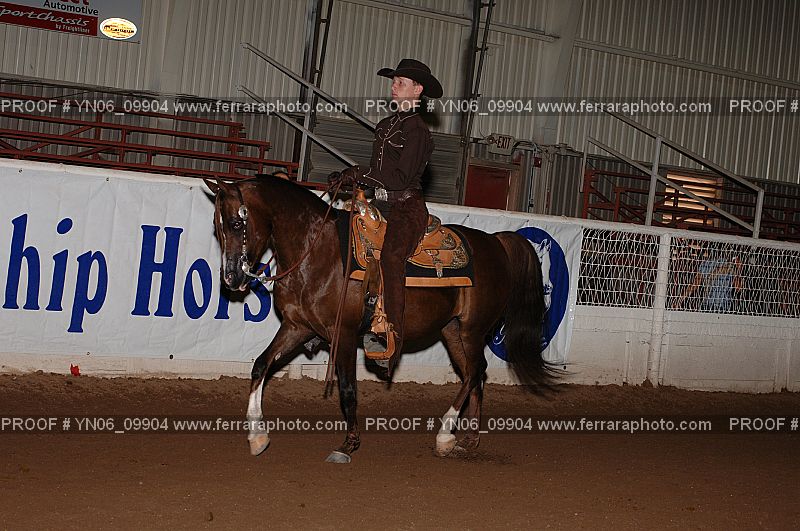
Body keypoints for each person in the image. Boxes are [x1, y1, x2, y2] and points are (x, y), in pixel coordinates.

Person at [331, 58, 442, 364]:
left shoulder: (417, 130)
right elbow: (378, 173)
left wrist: (358, 173)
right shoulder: (385, 126)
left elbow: (401, 178)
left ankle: (390, 334)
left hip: (406, 207)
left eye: (401, 83)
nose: (394, 87)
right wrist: (352, 180)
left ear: (417, 90)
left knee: (392, 258)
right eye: (394, 82)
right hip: (379, 202)